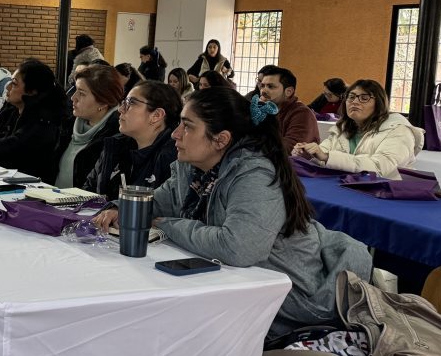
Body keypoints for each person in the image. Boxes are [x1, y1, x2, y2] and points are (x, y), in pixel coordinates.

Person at [97, 87, 372, 340]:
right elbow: (158, 202)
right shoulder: (193, 168)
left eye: (187, 126)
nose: (175, 134)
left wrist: (168, 225)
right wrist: (120, 208)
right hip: (241, 292)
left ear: (221, 139)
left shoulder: (254, 174)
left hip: (292, 303)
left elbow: (239, 247)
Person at [293, 79, 424, 180]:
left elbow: (380, 168)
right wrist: (308, 154)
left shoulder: (399, 130)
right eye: (351, 97)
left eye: (364, 98)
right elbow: (322, 155)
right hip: (347, 187)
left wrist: (327, 157)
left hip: (385, 194)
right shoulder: (342, 128)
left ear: (379, 103)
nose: (355, 102)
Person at [85, 81, 181, 200]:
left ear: (156, 115)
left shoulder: (174, 159)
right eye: (123, 102)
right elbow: (87, 191)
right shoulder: (115, 146)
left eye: (130, 103)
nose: (120, 109)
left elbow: (165, 207)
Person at [49, 65, 124, 188]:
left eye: (82, 94)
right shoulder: (67, 125)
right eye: (75, 90)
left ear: (103, 102)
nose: (73, 98)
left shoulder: (117, 137)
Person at [256, 66, 319, 151]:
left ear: (288, 92)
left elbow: (290, 148)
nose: (263, 91)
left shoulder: (302, 114)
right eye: (262, 86)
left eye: (270, 86)